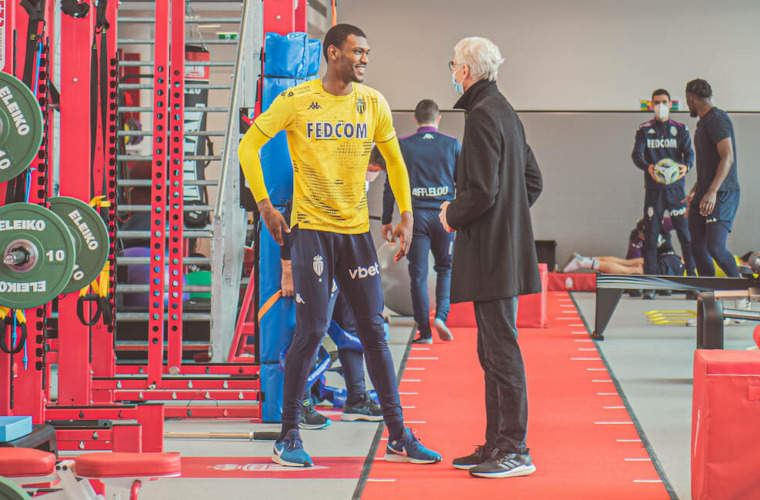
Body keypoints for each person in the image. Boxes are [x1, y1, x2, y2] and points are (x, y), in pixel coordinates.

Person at [238, 23, 441, 468]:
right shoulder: (296, 100)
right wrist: (265, 205)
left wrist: (406, 214)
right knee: (311, 330)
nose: (364, 59)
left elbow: (395, 162)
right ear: (333, 53)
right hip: (311, 231)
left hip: (355, 234)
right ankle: (288, 436)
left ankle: (398, 435)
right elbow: (248, 147)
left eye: (367, 52)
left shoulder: (373, 103)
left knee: (374, 331)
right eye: (356, 51)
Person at [439, 37, 542, 479]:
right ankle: (497, 443)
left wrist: (450, 214)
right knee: (491, 350)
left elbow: (481, 191)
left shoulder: (482, 114)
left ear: (466, 70)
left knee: (500, 350)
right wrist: (509, 220)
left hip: (492, 255)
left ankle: (515, 449)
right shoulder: (505, 111)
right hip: (505, 249)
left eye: (453, 65)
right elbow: (532, 181)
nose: (452, 72)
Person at [381, 99, 460, 344]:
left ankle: (424, 333)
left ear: (415, 119)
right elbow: (465, 183)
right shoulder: (452, 144)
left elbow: (390, 185)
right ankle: (442, 316)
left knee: (418, 275)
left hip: (415, 219)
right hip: (444, 216)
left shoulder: (403, 145)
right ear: (438, 119)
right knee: (445, 269)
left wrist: (386, 220)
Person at [631, 88, 696, 291]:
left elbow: (689, 153)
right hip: (654, 190)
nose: (661, 106)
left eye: (664, 102)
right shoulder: (644, 129)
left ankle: (692, 282)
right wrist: (648, 167)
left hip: (676, 190)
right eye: (657, 102)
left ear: (670, 104)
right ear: (652, 105)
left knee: (685, 236)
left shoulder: (680, 129)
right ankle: (650, 286)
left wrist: (687, 166)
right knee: (651, 238)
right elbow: (636, 155)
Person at [683, 79, 741, 278]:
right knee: (697, 248)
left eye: (687, 101)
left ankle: (741, 286)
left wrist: (712, 191)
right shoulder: (702, 123)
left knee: (715, 247)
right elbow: (708, 166)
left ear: (691, 97)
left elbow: (728, 157)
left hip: (722, 193)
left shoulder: (717, 119)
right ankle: (708, 289)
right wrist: (695, 191)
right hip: (705, 192)